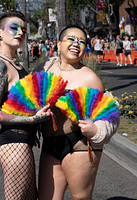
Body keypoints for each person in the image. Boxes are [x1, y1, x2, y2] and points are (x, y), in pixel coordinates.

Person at [33, 25, 119, 200]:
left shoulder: (89, 78)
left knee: (80, 197)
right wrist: (31, 126)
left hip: (79, 144)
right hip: (50, 144)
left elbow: (109, 114)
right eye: (71, 39)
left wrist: (96, 131)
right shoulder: (44, 69)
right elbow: (30, 102)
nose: (76, 44)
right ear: (58, 44)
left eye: (82, 42)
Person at [0, 11, 51, 200]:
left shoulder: (17, 65)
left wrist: (34, 120)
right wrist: (31, 120)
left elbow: (19, 103)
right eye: (13, 28)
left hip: (23, 142)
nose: (19, 33)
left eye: (23, 29)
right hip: (13, 144)